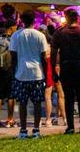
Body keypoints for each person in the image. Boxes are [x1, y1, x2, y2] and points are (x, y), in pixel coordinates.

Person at [50, 8, 80, 134]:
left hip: (66, 67)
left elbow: (53, 53)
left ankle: (70, 126)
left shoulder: (59, 33)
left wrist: (53, 70)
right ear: (78, 18)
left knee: (68, 98)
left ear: (67, 17)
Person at [9, 9, 50, 138]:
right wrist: (45, 71)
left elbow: (13, 55)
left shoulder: (16, 35)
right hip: (37, 73)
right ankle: (36, 129)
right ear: (34, 20)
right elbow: (44, 56)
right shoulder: (40, 35)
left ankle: (23, 130)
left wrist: (13, 70)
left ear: (22, 20)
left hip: (21, 73)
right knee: (37, 102)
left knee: (22, 103)